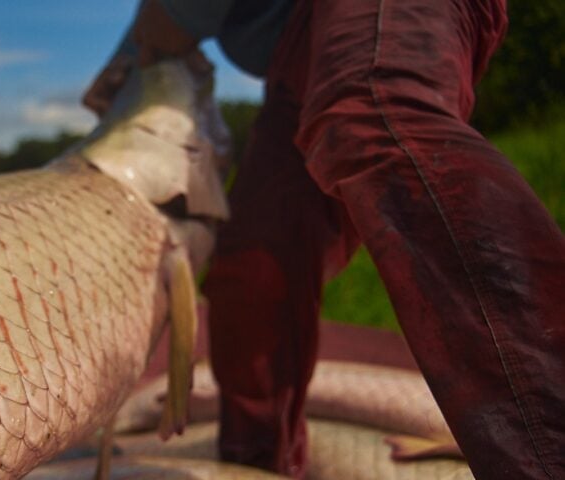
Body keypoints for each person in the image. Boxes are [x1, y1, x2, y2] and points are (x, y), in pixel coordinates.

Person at [82, 1, 565, 479]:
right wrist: (131, 61)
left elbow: (165, 25)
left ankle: (547, 446)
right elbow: (157, 29)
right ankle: (255, 462)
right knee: (254, 261)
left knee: (372, 112)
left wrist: (165, 30)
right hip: (302, 46)